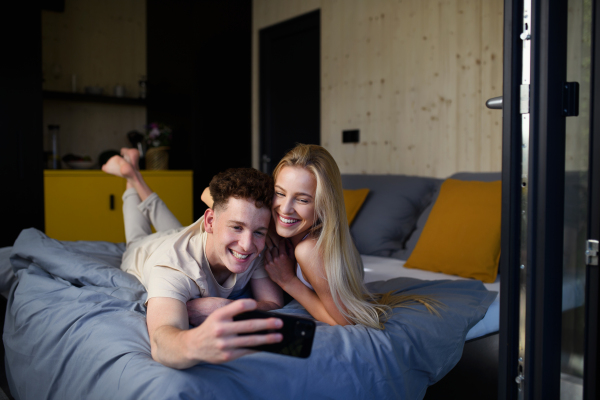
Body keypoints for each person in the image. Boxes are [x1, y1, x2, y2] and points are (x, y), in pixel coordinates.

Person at [200, 144, 440, 329]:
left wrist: (287, 281)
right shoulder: (279, 221)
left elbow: (343, 321)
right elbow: (207, 194)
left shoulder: (310, 250)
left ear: (324, 205)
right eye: (280, 193)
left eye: (303, 199)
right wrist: (266, 229)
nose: (285, 209)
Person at [102, 148, 284, 369]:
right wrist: (196, 344)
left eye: (259, 232)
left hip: (185, 236)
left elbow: (273, 303)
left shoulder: (253, 246)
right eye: (237, 227)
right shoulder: (172, 266)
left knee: (176, 229)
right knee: (136, 238)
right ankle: (131, 178)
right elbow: (162, 342)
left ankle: (133, 173)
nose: (247, 245)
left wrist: (224, 307)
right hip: (148, 249)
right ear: (209, 222)